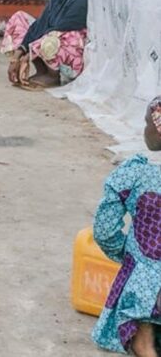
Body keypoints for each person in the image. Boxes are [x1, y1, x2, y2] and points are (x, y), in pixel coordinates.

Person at [91, 97, 161, 356]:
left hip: (147, 286)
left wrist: (127, 255)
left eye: (147, 123)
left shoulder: (136, 174)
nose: (145, 129)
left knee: (144, 342)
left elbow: (105, 229)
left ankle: (147, 344)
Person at [1, 0, 88, 88]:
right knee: (20, 19)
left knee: (54, 37)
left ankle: (54, 75)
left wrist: (28, 55)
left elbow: (59, 29)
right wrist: (17, 56)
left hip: (71, 53)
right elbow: (39, 26)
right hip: (50, 36)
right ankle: (42, 70)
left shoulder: (80, 0)